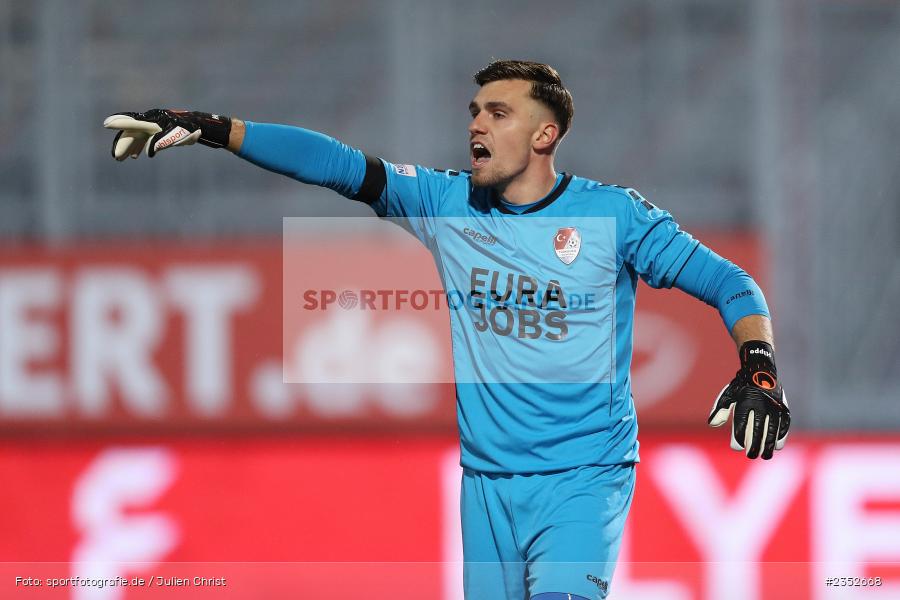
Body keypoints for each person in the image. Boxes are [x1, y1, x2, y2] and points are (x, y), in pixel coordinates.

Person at [104, 59, 790, 600]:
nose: (476, 127)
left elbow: (732, 284)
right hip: (486, 486)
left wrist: (758, 363)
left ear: (545, 134)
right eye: (474, 112)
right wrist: (216, 128)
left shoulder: (613, 216)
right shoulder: (444, 202)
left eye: (498, 112)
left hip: (584, 477)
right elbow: (340, 166)